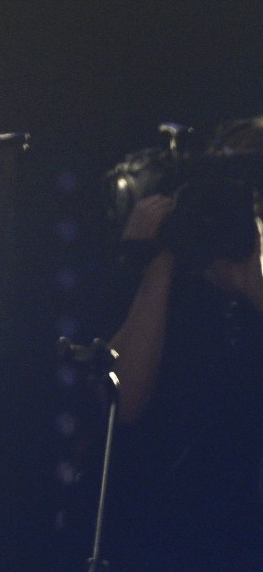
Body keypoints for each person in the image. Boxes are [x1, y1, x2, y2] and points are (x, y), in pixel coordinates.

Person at [99, 161, 263, 569]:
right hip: (160, 522)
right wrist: (159, 259)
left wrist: (250, 283)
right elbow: (125, 398)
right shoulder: (135, 278)